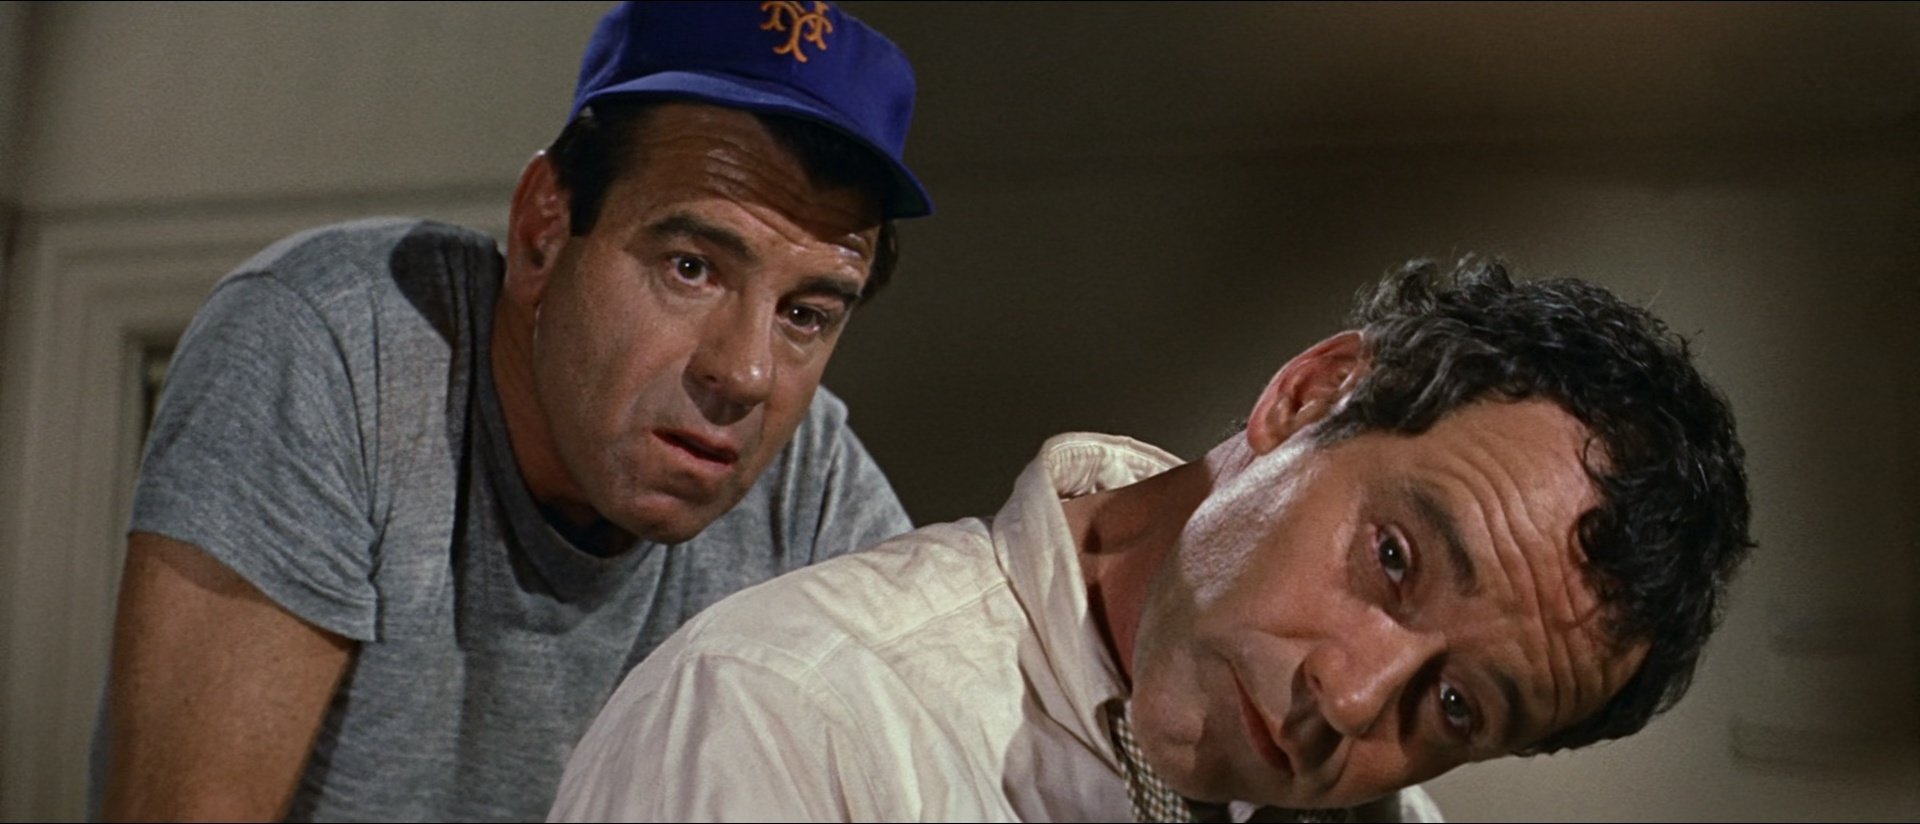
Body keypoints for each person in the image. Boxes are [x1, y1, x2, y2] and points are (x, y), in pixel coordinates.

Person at [93, 2, 933, 820]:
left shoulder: (810, 485)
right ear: (542, 233)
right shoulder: (341, 348)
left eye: (805, 314)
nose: (745, 372)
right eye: (690, 267)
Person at [548, 256, 1755, 823]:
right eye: (1393, 559)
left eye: (1453, 706)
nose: (1349, 697)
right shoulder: (785, 721)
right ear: (1308, 397)